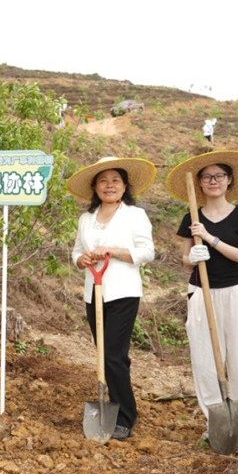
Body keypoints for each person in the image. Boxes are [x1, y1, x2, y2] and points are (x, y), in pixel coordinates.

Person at [165, 151, 238, 451]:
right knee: (206, 364)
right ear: (199, 183)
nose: (213, 181)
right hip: (202, 295)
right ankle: (218, 425)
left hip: (235, 294)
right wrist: (191, 258)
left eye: (219, 176)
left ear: (229, 180)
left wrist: (210, 239)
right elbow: (185, 260)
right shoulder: (191, 217)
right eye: (207, 177)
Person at [66, 156, 157, 440]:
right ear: (95, 187)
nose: (109, 186)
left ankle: (126, 415)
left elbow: (147, 252)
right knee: (104, 353)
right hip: (94, 292)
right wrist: (82, 259)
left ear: (125, 185)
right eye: (103, 181)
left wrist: (113, 251)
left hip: (123, 292)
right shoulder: (86, 219)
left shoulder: (134, 215)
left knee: (114, 356)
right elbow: (77, 250)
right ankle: (112, 406)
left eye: (115, 180)